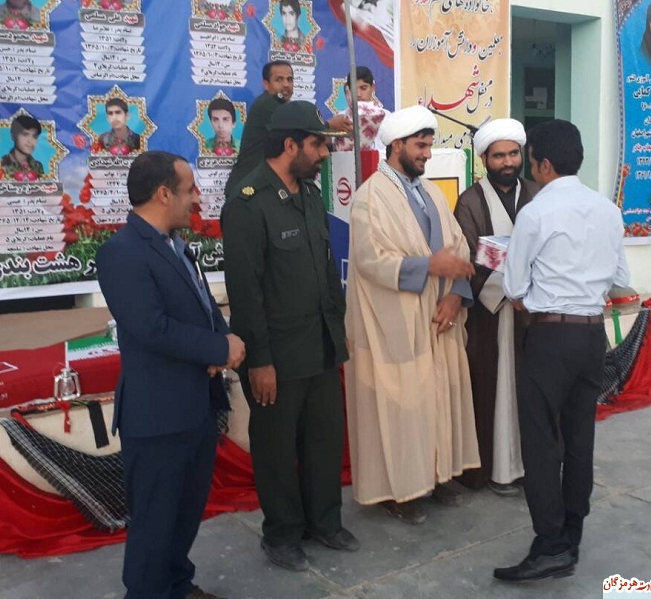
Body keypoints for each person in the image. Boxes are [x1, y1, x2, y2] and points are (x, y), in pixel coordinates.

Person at [96, 151, 246, 599]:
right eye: (190, 189)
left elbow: (202, 305)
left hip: (196, 407)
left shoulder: (177, 245)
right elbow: (151, 327)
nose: (197, 198)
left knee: (184, 515)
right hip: (157, 416)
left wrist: (223, 336)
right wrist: (218, 348)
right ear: (164, 194)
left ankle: (177, 586)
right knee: (155, 523)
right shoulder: (121, 252)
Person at [221, 101, 358, 572]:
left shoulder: (310, 195)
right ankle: (281, 534)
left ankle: (324, 522)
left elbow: (326, 270)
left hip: (320, 345)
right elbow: (246, 291)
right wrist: (259, 360)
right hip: (277, 355)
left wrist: (338, 334)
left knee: (324, 440)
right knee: (277, 450)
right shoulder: (247, 202)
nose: (324, 153)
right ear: (289, 145)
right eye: (318, 144)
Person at [494, 120, 630, 582]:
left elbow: (514, 287)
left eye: (529, 159)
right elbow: (620, 280)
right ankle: (571, 535)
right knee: (578, 439)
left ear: (543, 164)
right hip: (591, 336)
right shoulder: (607, 210)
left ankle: (550, 544)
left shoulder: (535, 213)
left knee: (539, 443)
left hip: (550, 336)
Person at [344, 105, 480, 525]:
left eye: (429, 145)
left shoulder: (432, 193)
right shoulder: (370, 197)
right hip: (395, 326)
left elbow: (458, 247)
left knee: (436, 401)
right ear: (396, 145)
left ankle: (438, 476)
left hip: (439, 319)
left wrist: (455, 296)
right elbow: (370, 259)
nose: (426, 154)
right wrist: (429, 267)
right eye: (420, 146)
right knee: (400, 408)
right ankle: (398, 490)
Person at [453, 118, 540, 496]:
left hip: (536, 310)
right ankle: (496, 471)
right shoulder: (470, 201)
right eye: (499, 156)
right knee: (494, 389)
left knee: (533, 393)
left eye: (513, 154)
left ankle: (531, 467)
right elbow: (467, 258)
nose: (507, 162)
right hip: (492, 314)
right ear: (484, 159)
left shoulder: (537, 193)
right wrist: (509, 288)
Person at [225, 60, 350, 199]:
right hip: (246, 190)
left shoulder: (284, 106)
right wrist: (330, 125)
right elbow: (301, 129)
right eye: (279, 79)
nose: (286, 84)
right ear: (266, 84)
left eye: (290, 79)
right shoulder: (267, 104)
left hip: (263, 188)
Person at [332, 66, 389, 152]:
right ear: (349, 89)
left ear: (373, 88)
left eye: (363, 88)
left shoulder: (386, 117)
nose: (358, 94)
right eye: (354, 89)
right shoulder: (341, 119)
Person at [0, 114, 45, 180]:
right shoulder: (1, 163)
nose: (30, 141)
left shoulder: (38, 166)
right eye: (25, 134)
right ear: (13, 136)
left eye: (34, 136)